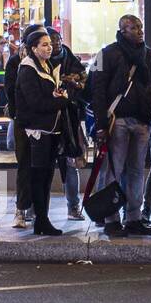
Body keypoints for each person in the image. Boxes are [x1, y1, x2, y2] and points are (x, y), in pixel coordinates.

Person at [90, 14, 151, 237]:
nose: (139, 30)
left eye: (140, 26)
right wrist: (100, 124)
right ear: (122, 30)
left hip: (142, 121)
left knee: (137, 170)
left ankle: (134, 217)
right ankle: (111, 218)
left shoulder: (148, 54)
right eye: (134, 27)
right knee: (114, 171)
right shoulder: (107, 53)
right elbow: (96, 90)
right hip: (117, 120)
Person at [14, 28, 75, 236]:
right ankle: (41, 220)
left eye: (50, 44)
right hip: (37, 132)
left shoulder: (46, 65)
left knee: (47, 175)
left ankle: (43, 219)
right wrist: (60, 100)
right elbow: (35, 102)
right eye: (44, 45)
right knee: (39, 176)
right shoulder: (27, 69)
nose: (50, 48)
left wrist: (58, 95)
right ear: (33, 48)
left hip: (50, 130)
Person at [4, 22, 48, 229]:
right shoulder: (17, 63)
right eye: (43, 41)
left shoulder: (48, 61)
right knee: (24, 165)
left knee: (40, 167)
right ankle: (21, 210)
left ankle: (37, 211)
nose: (48, 46)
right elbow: (11, 92)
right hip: (23, 122)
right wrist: (17, 116)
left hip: (44, 123)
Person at [49, 28, 87, 221]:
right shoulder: (39, 61)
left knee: (71, 162)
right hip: (46, 117)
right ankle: (32, 208)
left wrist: (75, 82)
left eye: (58, 40)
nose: (55, 44)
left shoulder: (70, 59)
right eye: (51, 40)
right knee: (42, 166)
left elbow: (84, 81)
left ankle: (73, 206)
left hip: (69, 118)